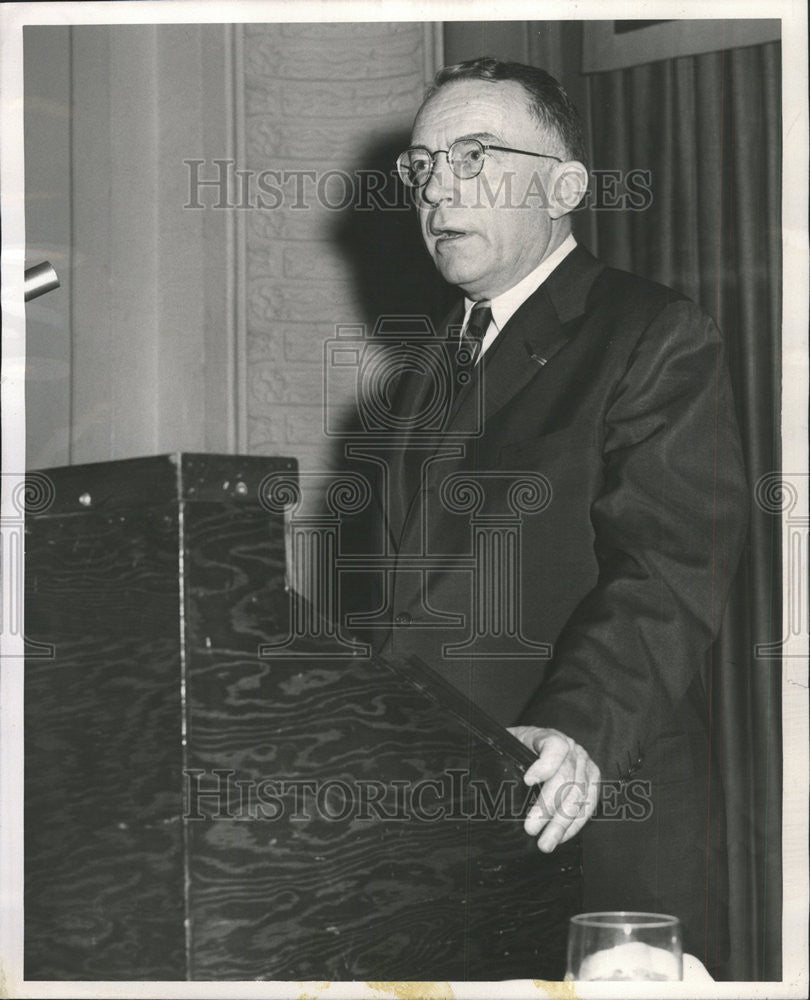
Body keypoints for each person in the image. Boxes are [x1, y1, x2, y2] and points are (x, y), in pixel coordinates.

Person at [343, 57, 748, 976]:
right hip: (440, 827)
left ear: (565, 186)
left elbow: (670, 570)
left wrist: (575, 732)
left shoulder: (652, 334)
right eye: (422, 164)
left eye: (475, 155)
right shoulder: (426, 370)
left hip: (588, 808)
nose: (439, 186)